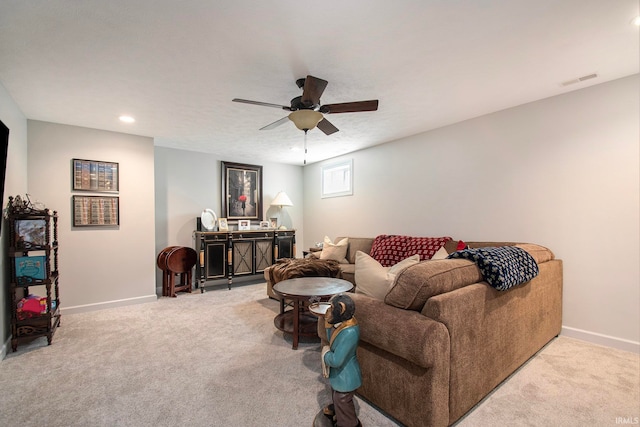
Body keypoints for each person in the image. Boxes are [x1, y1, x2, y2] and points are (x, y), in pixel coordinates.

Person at [321, 294, 362, 427]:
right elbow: (332, 341)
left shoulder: (350, 332)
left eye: (332, 308)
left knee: (342, 399)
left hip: (346, 375)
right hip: (339, 375)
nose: (329, 310)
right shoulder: (342, 324)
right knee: (336, 394)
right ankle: (337, 412)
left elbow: (337, 360)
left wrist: (325, 355)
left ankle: (348, 423)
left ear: (341, 310)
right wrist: (328, 324)